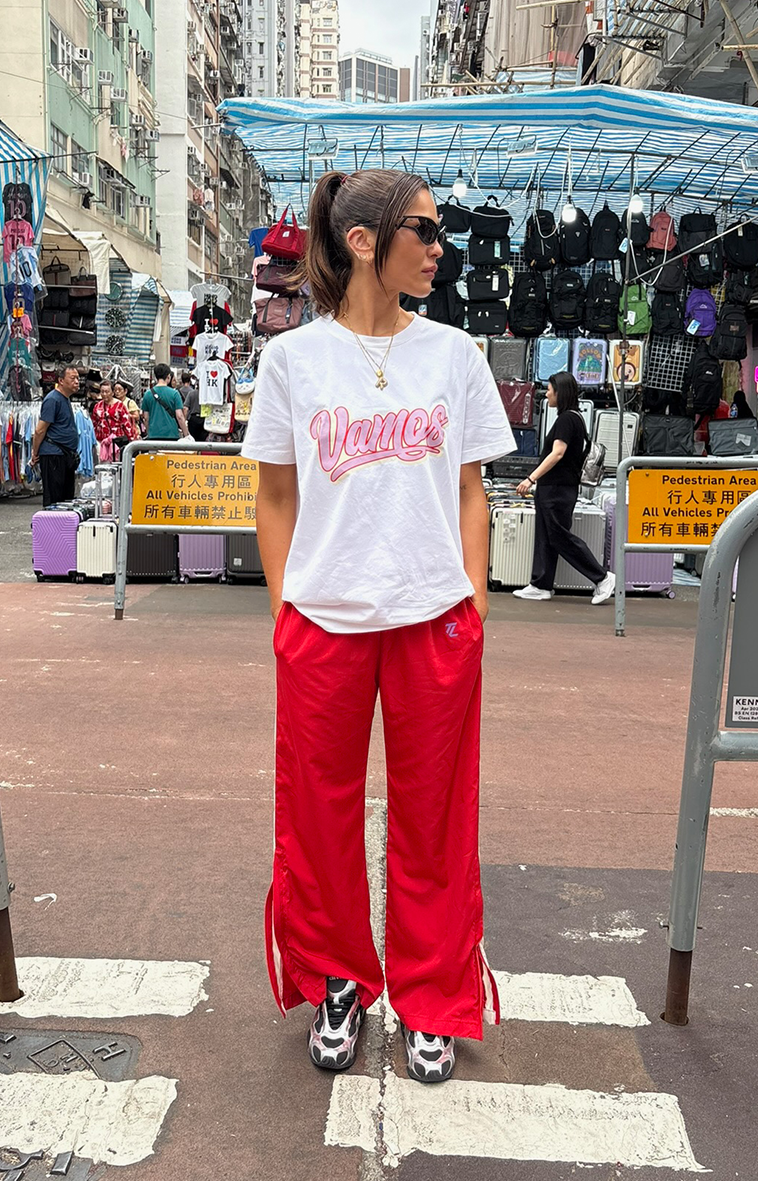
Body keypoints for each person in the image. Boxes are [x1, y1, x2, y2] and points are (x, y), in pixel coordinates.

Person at [241, 169, 515, 1084]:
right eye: (426, 232)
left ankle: (434, 994)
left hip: (434, 616)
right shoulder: (292, 362)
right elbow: (273, 494)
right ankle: (339, 980)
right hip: (322, 620)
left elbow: (474, 491)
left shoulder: (455, 356)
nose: (441, 249)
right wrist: (286, 610)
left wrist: (472, 602)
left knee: (436, 816)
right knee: (317, 816)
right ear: (365, 241)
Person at [513, 372, 615, 605]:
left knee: (559, 536)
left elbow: (557, 453)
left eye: (550, 389)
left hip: (557, 489)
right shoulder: (574, 418)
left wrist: (531, 478)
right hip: (555, 487)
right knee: (547, 536)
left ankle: (602, 577)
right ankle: (541, 584)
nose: (546, 393)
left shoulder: (567, 420)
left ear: (560, 392)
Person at [31, 363, 80, 507]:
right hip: (54, 455)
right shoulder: (53, 399)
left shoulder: (65, 398)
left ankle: (63, 528)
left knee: (66, 499)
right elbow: (40, 430)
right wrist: (35, 453)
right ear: (61, 381)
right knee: (54, 500)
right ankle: (51, 529)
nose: (77, 382)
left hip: (65, 455)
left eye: (77, 378)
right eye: (72, 378)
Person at [141, 363, 189, 441]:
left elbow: (146, 418)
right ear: (168, 376)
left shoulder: (147, 394)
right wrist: (186, 434)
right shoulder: (175, 393)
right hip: (171, 434)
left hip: (153, 435)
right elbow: (180, 416)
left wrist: (149, 432)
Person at [92, 380, 134, 462]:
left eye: (107, 392)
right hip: (101, 442)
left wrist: (131, 441)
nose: (104, 394)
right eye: (102, 392)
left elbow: (126, 425)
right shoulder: (97, 406)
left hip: (117, 442)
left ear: (112, 392)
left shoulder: (120, 405)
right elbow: (94, 424)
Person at [180, 372, 207, 441]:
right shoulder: (207, 395)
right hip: (205, 419)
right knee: (203, 440)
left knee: (192, 440)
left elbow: (185, 408)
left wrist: (185, 420)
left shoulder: (191, 393)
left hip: (193, 419)